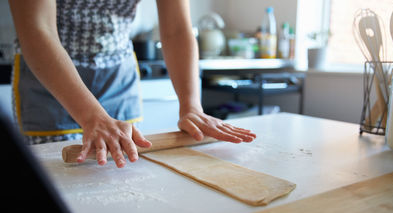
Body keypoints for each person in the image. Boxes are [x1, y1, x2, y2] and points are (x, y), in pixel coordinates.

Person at [8, 0, 256, 168]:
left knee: (122, 171)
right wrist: (91, 115)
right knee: (60, 179)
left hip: (118, 72)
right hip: (51, 77)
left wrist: (191, 106)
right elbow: (37, 29)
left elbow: (177, 29)